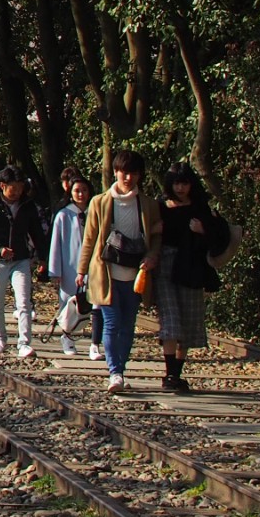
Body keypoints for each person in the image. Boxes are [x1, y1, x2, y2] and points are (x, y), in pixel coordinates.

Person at [79, 149, 163, 395]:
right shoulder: (100, 202)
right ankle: (114, 371)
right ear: (115, 172)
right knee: (112, 323)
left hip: (135, 275)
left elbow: (155, 236)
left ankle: (120, 369)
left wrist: (151, 256)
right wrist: (82, 270)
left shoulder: (147, 204)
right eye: (123, 172)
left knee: (128, 325)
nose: (127, 177)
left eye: (133, 173)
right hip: (106, 273)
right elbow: (90, 238)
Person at [158, 163, 231, 392]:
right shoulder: (160, 205)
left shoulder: (200, 207)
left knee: (188, 320)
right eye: (176, 183)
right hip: (165, 265)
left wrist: (203, 230)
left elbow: (221, 233)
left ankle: (176, 374)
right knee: (170, 318)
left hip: (191, 265)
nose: (180, 188)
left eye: (185, 183)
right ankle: (169, 374)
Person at [0, 165, 46, 358]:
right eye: (12, 187)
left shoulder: (28, 206)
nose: (16, 192)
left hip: (20, 260)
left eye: (20, 187)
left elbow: (37, 233)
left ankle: (24, 343)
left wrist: (43, 257)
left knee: (24, 302)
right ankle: (0, 339)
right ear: (2, 186)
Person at [49, 174, 93, 356]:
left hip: (91, 267)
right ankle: (67, 338)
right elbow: (56, 244)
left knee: (92, 304)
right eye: (77, 191)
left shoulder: (94, 212)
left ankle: (93, 341)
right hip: (69, 266)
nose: (81, 194)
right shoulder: (63, 215)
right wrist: (55, 270)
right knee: (68, 304)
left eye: (84, 190)